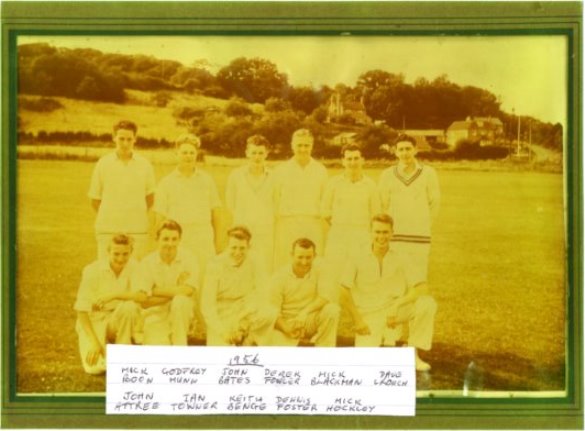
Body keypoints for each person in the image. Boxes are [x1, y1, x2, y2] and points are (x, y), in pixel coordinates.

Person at [339, 213, 437, 371]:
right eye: (377, 232)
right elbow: (343, 290)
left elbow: (422, 287)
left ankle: (412, 353)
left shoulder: (401, 254)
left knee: (427, 304)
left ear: (392, 233)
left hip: (395, 311)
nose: (381, 236)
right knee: (365, 366)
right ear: (370, 232)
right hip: (368, 315)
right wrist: (358, 320)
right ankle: (386, 341)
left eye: (385, 232)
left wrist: (397, 304)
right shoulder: (356, 255)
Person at [73, 234, 143, 375]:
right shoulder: (92, 270)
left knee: (129, 307)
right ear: (108, 251)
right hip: (95, 320)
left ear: (131, 251)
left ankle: (123, 350)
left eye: (125, 254)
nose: (121, 258)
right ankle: (107, 346)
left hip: (118, 319)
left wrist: (115, 295)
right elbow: (81, 310)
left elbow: (142, 296)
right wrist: (95, 343)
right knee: (94, 368)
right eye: (116, 253)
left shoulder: (135, 266)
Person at [154, 133, 222, 273]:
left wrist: (218, 242)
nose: (188, 156)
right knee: (180, 277)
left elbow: (216, 214)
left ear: (196, 155)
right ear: (176, 154)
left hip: (203, 237)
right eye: (184, 152)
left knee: (205, 276)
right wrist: (161, 244)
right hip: (178, 239)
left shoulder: (207, 180)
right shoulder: (166, 183)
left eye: (192, 152)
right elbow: (159, 218)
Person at [88, 120, 155, 259]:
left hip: (137, 229)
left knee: (136, 272)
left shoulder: (145, 165)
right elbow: (95, 199)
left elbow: (150, 197)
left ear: (135, 139)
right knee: (106, 272)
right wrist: (111, 216)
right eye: (121, 139)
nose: (125, 143)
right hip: (108, 228)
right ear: (114, 138)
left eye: (129, 139)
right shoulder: (103, 164)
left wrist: (134, 214)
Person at [378, 134, 440, 279]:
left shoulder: (428, 173)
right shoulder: (387, 174)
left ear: (416, 150)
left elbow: (435, 203)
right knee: (395, 276)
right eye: (401, 149)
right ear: (395, 151)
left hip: (420, 234)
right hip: (395, 235)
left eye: (408, 149)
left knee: (418, 276)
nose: (405, 153)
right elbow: (383, 204)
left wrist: (425, 225)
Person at [201, 226, 276, 346]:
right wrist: (222, 332)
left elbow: (263, 293)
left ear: (248, 247)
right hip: (222, 314)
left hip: (245, 311)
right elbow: (207, 306)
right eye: (234, 248)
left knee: (270, 312)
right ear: (227, 245)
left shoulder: (255, 260)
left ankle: (249, 339)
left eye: (242, 248)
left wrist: (245, 319)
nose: (237, 252)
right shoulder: (215, 265)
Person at [135, 220, 199, 346]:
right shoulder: (147, 263)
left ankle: (180, 344)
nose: (170, 243)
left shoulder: (189, 258)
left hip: (182, 313)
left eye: (174, 239)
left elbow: (188, 291)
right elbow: (144, 301)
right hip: (155, 313)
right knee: (157, 353)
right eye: (165, 239)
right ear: (157, 239)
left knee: (180, 301)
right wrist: (176, 290)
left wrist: (154, 290)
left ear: (180, 239)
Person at [269, 238, 339, 347]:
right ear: (292, 255)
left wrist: (305, 312)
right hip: (286, 322)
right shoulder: (279, 277)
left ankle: (325, 352)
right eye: (300, 257)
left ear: (314, 256)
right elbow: (272, 311)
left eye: (308, 257)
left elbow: (325, 296)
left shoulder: (320, 269)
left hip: (308, 320)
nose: (304, 262)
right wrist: (287, 328)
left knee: (332, 310)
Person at [273, 129, 328, 268]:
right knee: (285, 263)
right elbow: (274, 199)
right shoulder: (281, 170)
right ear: (292, 145)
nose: (303, 149)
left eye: (306, 145)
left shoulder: (321, 170)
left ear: (312, 146)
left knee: (314, 264)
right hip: (288, 223)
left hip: (312, 222)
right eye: (299, 145)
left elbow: (325, 200)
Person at [322, 143, 381, 264]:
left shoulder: (370, 185)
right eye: (349, 159)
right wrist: (340, 224)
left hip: (362, 235)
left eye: (356, 158)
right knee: (336, 272)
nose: (353, 162)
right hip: (338, 235)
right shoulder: (333, 183)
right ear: (343, 161)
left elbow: (376, 214)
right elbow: (325, 211)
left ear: (362, 160)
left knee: (360, 274)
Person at [225, 135, 276, 273]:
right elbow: (230, 203)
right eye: (254, 152)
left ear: (266, 153)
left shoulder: (274, 177)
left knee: (264, 267)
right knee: (241, 267)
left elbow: (277, 203)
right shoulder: (236, 175)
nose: (257, 157)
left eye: (261, 153)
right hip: (242, 230)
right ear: (247, 153)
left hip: (265, 231)